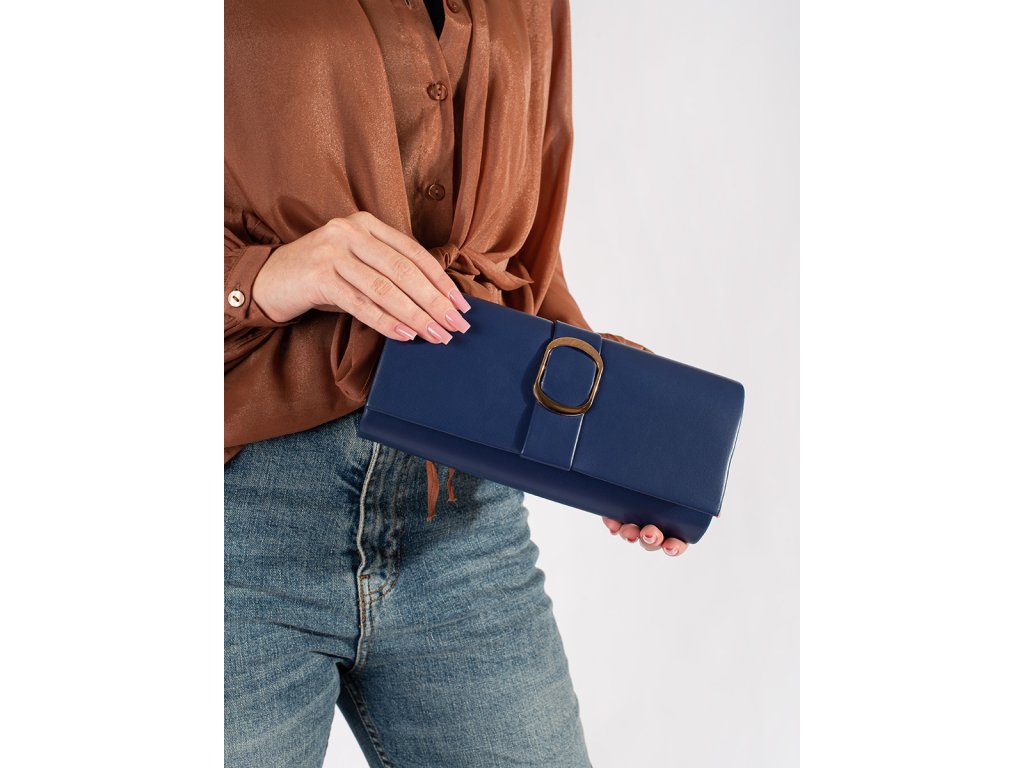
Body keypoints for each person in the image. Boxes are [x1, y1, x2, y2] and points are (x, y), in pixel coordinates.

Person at [224, 1, 687, 765]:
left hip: (466, 520)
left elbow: (524, 248)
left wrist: (593, 402)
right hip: (239, 519)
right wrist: (264, 275)